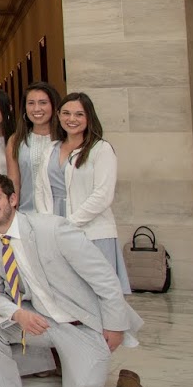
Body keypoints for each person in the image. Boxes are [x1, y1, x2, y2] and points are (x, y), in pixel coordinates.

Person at [0, 173, 144, 387]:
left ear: (13, 199)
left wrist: (115, 326)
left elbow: (104, 278)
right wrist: (18, 314)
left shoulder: (52, 229)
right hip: (42, 322)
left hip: (82, 326)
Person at [48, 92, 129, 290]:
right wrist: (49, 224)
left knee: (99, 292)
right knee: (68, 291)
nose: (71, 119)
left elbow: (103, 196)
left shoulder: (101, 149)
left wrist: (70, 224)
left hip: (92, 230)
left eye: (79, 114)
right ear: (58, 116)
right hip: (56, 229)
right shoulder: (51, 148)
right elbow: (42, 189)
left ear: (89, 117)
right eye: (66, 113)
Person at [8, 82, 62, 212]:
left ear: (54, 106)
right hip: (27, 212)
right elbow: (14, 181)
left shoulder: (64, 139)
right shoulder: (16, 140)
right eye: (31, 103)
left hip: (60, 214)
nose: (36, 109)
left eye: (43, 103)